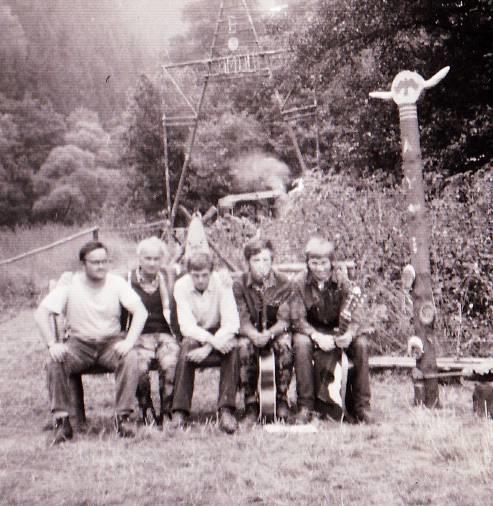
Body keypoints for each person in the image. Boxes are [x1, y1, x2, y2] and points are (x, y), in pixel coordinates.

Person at [35, 240, 148, 444]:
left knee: (130, 357)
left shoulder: (116, 283)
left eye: (105, 261)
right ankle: (62, 422)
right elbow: (42, 313)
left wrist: (129, 341)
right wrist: (52, 344)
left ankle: (123, 418)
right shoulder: (70, 285)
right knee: (54, 362)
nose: (101, 266)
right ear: (83, 264)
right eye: (95, 262)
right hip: (79, 345)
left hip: (110, 342)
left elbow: (140, 311)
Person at [291, 237, 372, 424]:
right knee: (300, 343)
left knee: (361, 343)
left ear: (331, 262)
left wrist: (348, 334)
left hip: (338, 330)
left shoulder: (343, 282)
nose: (319, 268)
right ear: (307, 263)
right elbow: (297, 319)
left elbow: (356, 316)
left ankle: (362, 406)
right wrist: (316, 335)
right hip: (312, 331)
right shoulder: (299, 283)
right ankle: (306, 406)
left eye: (323, 263)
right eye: (314, 263)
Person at [171, 252, 240, 434]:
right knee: (187, 347)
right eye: (196, 275)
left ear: (211, 272)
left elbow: (231, 322)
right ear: (189, 273)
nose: (200, 280)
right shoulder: (181, 286)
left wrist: (210, 346)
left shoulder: (222, 283)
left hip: (219, 332)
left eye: (204, 275)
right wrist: (210, 342)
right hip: (196, 334)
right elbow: (186, 326)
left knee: (232, 348)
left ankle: (226, 410)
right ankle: (180, 411)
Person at [233, 238, 294, 424]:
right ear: (248, 262)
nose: (262, 265)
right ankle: (251, 402)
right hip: (250, 332)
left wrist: (270, 333)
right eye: (256, 260)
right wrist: (253, 334)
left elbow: (285, 318)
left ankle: (281, 399)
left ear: (272, 260)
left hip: (275, 331)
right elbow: (241, 317)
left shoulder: (283, 282)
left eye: (266, 260)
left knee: (285, 345)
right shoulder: (240, 285)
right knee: (243, 347)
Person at [124, 237, 180, 425]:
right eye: (147, 258)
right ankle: (146, 408)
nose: (152, 263)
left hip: (165, 334)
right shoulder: (127, 280)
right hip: (139, 335)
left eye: (156, 259)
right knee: (138, 367)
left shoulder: (169, 277)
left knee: (171, 363)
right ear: (139, 259)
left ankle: (167, 410)